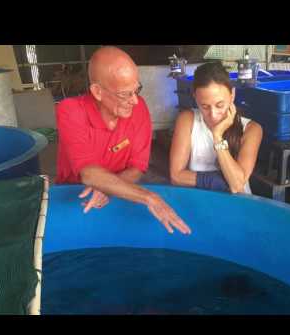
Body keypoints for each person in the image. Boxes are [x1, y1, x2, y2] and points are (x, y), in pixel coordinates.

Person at [55, 46, 190, 235]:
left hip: (116, 195)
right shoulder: (70, 111)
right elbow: (89, 174)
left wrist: (108, 188)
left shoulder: (139, 108)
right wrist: (150, 198)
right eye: (125, 94)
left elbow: (137, 167)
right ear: (97, 91)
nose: (134, 100)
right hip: (73, 198)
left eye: (137, 90)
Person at [169, 62, 263, 194]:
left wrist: (217, 136)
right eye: (205, 106)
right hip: (199, 201)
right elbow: (176, 176)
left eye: (219, 105)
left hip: (238, 205)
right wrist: (222, 181)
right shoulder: (187, 120)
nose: (213, 115)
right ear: (195, 98)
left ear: (232, 95)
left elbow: (236, 185)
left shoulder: (251, 129)